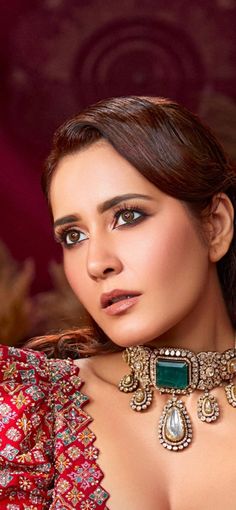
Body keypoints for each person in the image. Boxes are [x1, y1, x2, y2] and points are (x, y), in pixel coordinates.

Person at [1, 96, 236, 510]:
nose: (96, 263)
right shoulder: (28, 409)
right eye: (73, 236)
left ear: (215, 226)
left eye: (127, 216)